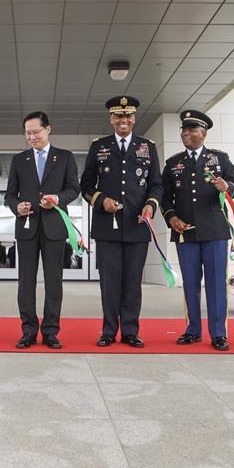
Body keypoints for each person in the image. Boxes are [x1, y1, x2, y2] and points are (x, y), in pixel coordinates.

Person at [80, 96, 163, 348]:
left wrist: (150, 206)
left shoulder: (147, 147)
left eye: (127, 116)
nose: (123, 120)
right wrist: (100, 200)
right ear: (111, 119)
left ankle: (130, 331)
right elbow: (85, 185)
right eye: (118, 116)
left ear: (134, 119)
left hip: (138, 226)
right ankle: (108, 330)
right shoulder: (99, 146)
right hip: (107, 226)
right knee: (109, 281)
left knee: (132, 281)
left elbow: (157, 185)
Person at [161, 110, 234, 351]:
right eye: (183, 130)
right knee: (190, 284)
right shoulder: (173, 163)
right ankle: (193, 329)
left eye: (192, 129)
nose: (186, 133)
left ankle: (218, 333)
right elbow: (165, 197)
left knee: (217, 284)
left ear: (203, 133)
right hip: (185, 232)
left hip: (215, 232)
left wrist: (226, 186)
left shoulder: (220, 159)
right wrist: (171, 217)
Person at [4, 111, 80, 349]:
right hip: (27, 227)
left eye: (36, 132)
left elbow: (74, 190)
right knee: (25, 282)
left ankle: (50, 331)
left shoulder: (65, 157)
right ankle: (28, 330)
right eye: (27, 133)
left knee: (53, 281)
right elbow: (9, 195)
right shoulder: (19, 160)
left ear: (48, 129)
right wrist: (18, 207)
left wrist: (57, 199)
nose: (32, 137)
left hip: (55, 228)